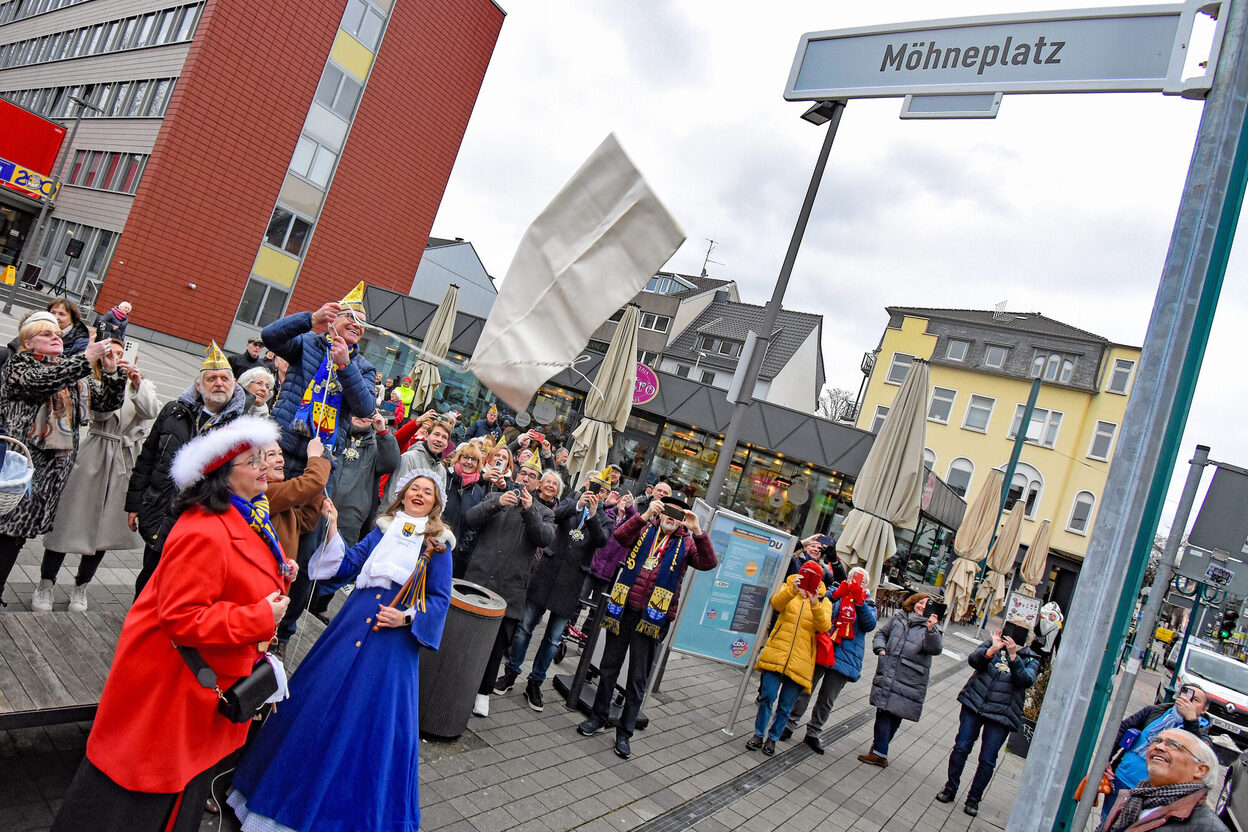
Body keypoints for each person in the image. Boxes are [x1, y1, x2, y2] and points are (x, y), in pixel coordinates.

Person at [51, 416, 293, 832]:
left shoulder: (243, 514)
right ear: (225, 476)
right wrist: (260, 616)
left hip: (194, 684)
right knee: (143, 786)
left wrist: (277, 572)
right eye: (254, 461)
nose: (265, 467)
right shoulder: (205, 529)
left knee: (176, 779)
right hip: (172, 686)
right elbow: (182, 617)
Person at [229, 471, 454, 832]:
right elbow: (350, 564)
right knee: (316, 702)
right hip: (351, 624)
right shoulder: (384, 529)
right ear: (403, 494)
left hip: (392, 643)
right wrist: (332, 528)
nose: (420, 494)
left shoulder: (440, 545)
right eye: (415, 488)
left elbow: (441, 598)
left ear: (435, 503)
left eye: (427, 492)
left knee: (369, 724)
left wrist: (407, 617)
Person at [576, 491, 717, 759]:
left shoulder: (686, 543)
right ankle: (598, 717)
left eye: (678, 515)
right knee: (608, 668)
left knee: (637, 679)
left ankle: (625, 733)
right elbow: (619, 537)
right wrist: (645, 515)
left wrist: (698, 530)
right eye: (666, 511)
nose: (670, 518)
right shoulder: (644, 529)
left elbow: (708, 563)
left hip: (653, 619)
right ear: (659, 510)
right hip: (624, 609)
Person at [0, 312, 124, 605]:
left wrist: (110, 372)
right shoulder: (19, 365)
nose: (56, 337)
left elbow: (106, 404)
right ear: (28, 343)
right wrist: (85, 357)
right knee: (3, 532)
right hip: (17, 468)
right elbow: (42, 382)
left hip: (48, 474)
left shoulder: (70, 373)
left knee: (15, 538)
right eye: (46, 334)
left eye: (58, 333)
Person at [35, 340, 157, 611]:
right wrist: (113, 378)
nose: (115, 357)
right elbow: (101, 412)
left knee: (105, 529)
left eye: (119, 353)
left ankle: (81, 586)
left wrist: (136, 383)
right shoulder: (92, 382)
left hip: (125, 459)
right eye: (108, 353)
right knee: (68, 520)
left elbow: (151, 412)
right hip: (95, 453)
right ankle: (46, 582)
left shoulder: (141, 384)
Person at [125, 342, 246, 597]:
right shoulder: (173, 412)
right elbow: (147, 459)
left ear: (234, 385)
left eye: (225, 378)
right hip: (161, 508)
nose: (219, 383)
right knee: (149, 578)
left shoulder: (242, 429)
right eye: (211, 378)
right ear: (199, 386)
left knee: (182, 585)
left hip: (202, 520)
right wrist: (135, 504)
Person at [498, 471, 606, 711]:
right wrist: (578, 505)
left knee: (553, 638)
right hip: (547, 573)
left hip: (572, 581)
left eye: (603, 490)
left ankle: (535, 683)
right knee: (525, 628)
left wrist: (594, 515)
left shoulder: (604, 517)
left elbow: (601, 541)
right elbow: (555, 515)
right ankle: (511, 673)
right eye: (594, 486)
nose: (596, 493)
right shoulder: (571, 500)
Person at [464, 455, 555, 717]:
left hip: (510, 588)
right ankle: (458, 679)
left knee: (496, 645)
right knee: (467, 634)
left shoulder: (544, 511)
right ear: (515, 474)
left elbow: (544, 538)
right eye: (523, 473)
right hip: (479, 577)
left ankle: (483, 692)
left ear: (538, 484)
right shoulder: (496, 495)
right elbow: (471, 517)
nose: (525, 478)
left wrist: (529, 511)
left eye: (532, 476)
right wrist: (496, 503)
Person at [262, 282, 378, 478]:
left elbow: (365, 409)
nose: (357, 325)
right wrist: (313, 318)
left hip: (319, 460)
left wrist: (345, 365)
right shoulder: (307, 343)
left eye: (362, 323)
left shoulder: (364, 367)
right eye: (350, 317)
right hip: (279, 447)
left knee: (304, 510)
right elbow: (270, 337)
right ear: (333, 318)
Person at [936, 623, 1041, 816]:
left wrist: (1013, 656)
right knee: (961, 747)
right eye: (1010, 629)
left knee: (987, 759)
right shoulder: (991, 644)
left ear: (1027, 639)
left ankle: (973, 799)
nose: (1012, 636)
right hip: (975, 703)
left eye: (1019, 633)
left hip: (1001, 715)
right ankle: (950, 788)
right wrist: (992, 649)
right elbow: (974, 661)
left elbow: (1026, 681)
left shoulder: (1030, 658)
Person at [307, 412, 398, 616]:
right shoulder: (336, 433)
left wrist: (383, 431)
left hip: (351, 516)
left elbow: (392, 462)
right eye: (359, 411)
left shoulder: (376, 443)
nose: (362, 417)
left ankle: (318, 607)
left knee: (337, 562)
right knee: (309, 554)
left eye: (368, 413)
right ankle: (300, 602)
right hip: (319, 507)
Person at [781, 566, 878, 752]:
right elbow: (820, 608)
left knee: (827, 698)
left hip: (846, 656)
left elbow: (869, 625)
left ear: (867, 585)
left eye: (862, 582)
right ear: (847, 579)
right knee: (805, 688)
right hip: (824, 647)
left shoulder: (869, 603)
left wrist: (859, 602)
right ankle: (789, 724)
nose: (858, 583)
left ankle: (813, 732)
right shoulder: (834, 592)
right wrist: (837, 596)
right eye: (854, 579)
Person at [748, 561, 833, 756]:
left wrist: (814, 603)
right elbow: (776, 603)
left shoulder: (824, 601)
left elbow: (824, 626)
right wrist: (792, 591)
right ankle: (758, 734)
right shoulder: (788, 587)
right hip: (777, 651)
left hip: (802, 660)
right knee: (767, 696)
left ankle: (773, 738)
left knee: (785, 705)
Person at [1102, 684, 1213, 823]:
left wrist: (1191, 721)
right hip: (1121, 781)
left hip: (1154, 796)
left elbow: (1197, 755)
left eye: (1195, 700)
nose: (1188, 701)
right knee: (1107, 821)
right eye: (1185, 694)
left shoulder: (1201, 733)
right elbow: (1122, 729)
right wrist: (1105, 760)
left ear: (1204, 710)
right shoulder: (1155, 712)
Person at [858, 592, 943, 767]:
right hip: (889, 669)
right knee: (884, 710)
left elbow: (935, 648)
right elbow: (881, 633)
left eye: (927, 604)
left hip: (910, 677)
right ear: (913, 602)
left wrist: (930, 628)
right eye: (920, 602)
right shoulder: (900, 617)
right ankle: (879, 750)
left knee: (896, 713)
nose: (922, 606)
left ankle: (879, 751)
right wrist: (881, 650)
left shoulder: (933, 628)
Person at [1101, 729, 1226, 832]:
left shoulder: (1209, 828)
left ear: (1200, 770)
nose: (1159, 747)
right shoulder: (1134, 797)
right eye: (1157, 741)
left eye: (1174, 745)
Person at [383, 417, 450, 504]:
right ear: (426, 436)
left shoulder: (442, 471)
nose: (439, 439)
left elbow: (439, 503)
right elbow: (395, 495)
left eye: (444, 437)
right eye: (436, 434)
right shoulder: (409, 458)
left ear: (447, 444)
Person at [444, 443, 487, 577]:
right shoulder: (445, 478)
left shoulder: (478, 492)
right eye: (466, 457)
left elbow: (475, 524)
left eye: (473, 459)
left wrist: (461, 546)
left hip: (455, 552)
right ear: (458, 458)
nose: (469, 462)